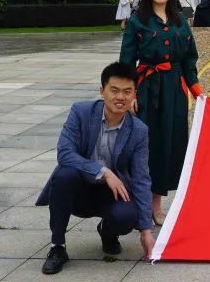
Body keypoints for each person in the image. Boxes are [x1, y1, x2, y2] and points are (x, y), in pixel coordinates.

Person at [37, 62, 155, 274]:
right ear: (102, 91)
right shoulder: (81, 112)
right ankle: (58, 247)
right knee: (64, 175)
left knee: (128, 216)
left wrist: (146, 230)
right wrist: (104, 172)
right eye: (114, 90)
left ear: (134, 94)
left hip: (111, 194)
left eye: (127, 92)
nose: (120, 97)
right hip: (78, 190)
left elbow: (141, 178)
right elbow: (65, 153)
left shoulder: (139, 130)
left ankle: (108, 233)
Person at [119, 0, 204, 226]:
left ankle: (156, 206)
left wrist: (197, 91)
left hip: (174, 93)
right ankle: (137, 203)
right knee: (146, 146)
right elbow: (126, 61)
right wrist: (130, 94)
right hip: (147, 89)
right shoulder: (138, 21)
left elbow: (189, 59)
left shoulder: (180, 21)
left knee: (168, 146)